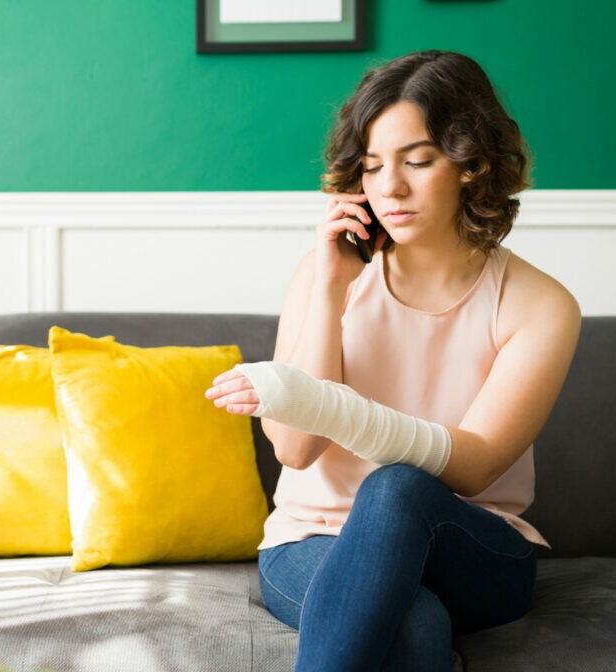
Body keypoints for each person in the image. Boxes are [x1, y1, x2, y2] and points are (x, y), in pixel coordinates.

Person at [203, 50, 581, 672]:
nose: (391, 188)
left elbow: (475, 466)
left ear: (472, 163)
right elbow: (295, 450)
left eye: (418, 161)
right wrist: (329, 290)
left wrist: (343, 413)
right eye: (374, 167)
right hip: (314, 540)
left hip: (468, 545)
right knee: (412, 626)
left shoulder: (541, 305)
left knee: (400, 486)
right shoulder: (321, 276)